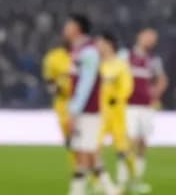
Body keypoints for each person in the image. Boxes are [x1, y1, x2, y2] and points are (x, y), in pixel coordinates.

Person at [63, 15, 118, 195]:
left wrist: (74, 110)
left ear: (78, 28)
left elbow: (86, 83)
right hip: (83, 109)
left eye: (68, 25)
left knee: (86, 153)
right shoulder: (78, 51)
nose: (65, 28)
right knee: (85, 153)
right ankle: (109, 190)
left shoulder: (89, 52)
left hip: (88, 111)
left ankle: (80, 191)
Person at [119, 28, 169, 193]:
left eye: (153, 39)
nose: (150, 41)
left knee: (142, 143)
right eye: (148, 37)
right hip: (129, 106)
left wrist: (155, 94)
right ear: (139, 37)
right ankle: (122, 179)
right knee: (130, 141)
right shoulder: (126, 56)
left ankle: (136, 180)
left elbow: (162, 79)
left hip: (146, 107)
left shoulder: (154, 60)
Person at [95, 32, 135, 189]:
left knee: (122, 149)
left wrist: (117, 98)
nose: (98, 46)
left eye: (100, 42)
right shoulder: (97, 64)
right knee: (94, 148)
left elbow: (127, 86)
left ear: (109, 44)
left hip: (116, 112)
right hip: (98, 113)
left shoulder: (120, 64)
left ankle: (125, 180)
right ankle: (103, 183)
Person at [43, 34, 75, 167]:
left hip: (82, 101)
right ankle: (78, 169)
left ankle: (86, 170)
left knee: (83, 140)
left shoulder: (83, 56)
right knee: (69, 139)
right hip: (62, 101)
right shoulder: (53, 57)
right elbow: (49, 79)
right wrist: (54, 89)